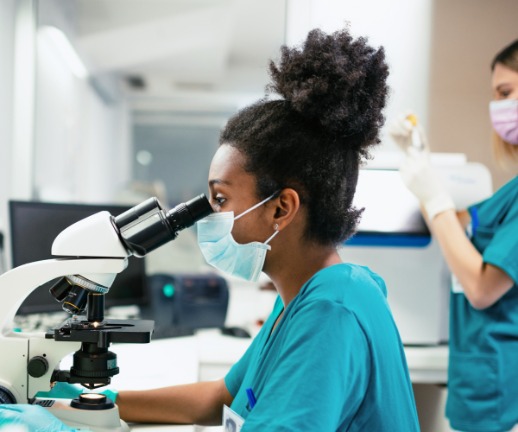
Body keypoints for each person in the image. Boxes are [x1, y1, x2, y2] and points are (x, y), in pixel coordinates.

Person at [0, 28, 420, 431]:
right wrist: (91, 409)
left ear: (281, 209)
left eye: (220, 200)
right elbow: (219, 398)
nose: (209, 216)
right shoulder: (306, 296)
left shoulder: (329, 316)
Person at [390, 40, 518, 432]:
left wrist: (433, 195)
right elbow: (459, 223)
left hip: (502, 387)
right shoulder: (511, 192)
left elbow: (482, 288)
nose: (497, 105)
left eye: (506, 93)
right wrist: (420, 164)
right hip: (479, 374)